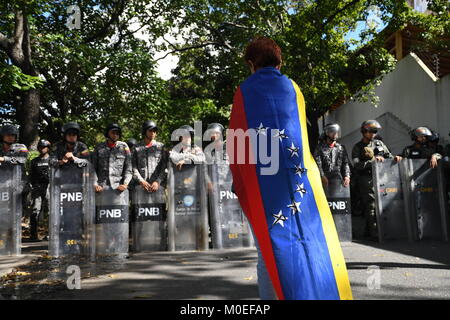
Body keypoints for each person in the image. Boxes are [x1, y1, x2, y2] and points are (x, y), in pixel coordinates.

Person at [227, 37, 352, 300]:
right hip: (298, 182)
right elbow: (301, 137)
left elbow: (237, 145)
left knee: (268, 250)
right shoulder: (293, 88)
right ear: (279, 61)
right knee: (309, 239)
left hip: (262, 187)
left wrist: (240, 183)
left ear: (251, 63)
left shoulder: (244, 91)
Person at [352, 120, 393, 240]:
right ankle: (375, 233)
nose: (373, 134)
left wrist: (396, 158)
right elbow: (356, 165)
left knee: (385, 203)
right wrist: (372, 162)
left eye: (375, 131)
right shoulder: (358, 147)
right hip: (366, 179)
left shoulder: (379, 144)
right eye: (371, 131)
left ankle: (373, 231)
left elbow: (389, 156)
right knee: (371, 206)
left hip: (381, 178)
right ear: (364, 131)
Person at [91, 123, 132, 194]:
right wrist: (95, 184)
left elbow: (128, 168)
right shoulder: (99, 147)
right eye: (113, 133)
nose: (115, 135)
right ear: (107, 134)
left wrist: (125, 184)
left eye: (117, 133)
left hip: (118, 188)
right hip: (101, 188)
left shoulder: (123, 146)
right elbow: (93, 168)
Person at [133, 120, 168, 192]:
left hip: (157, 187)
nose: (153, 133)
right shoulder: (136, 148)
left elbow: (164, 167)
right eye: (150, 131)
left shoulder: (161, 147)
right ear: (144, 131)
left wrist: (158, 181)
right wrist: (141, 181)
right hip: (140, 187)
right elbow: (133, 167)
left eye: (154, 131)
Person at [314, 123, 351, 188]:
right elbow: (318, 164)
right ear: (327, 133)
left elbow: (346, 163)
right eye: (332, 132)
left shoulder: (341, 148)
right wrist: (322, 176)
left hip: (338, 181)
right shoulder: (319, 148)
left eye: (336, 132)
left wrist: (347, 176)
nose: (335, 134)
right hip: (325, 180)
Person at [29, 139, 51, 240]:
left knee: (50, 211)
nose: (42, 149)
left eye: (44, 147)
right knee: (34, 211)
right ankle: (33, 235)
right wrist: (32, 186)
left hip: (49, 188)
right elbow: (31, 176)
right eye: (41, 147)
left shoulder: (52, 160)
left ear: (48, 148)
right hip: (37, 188)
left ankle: (50, 234)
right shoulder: (34, 161)